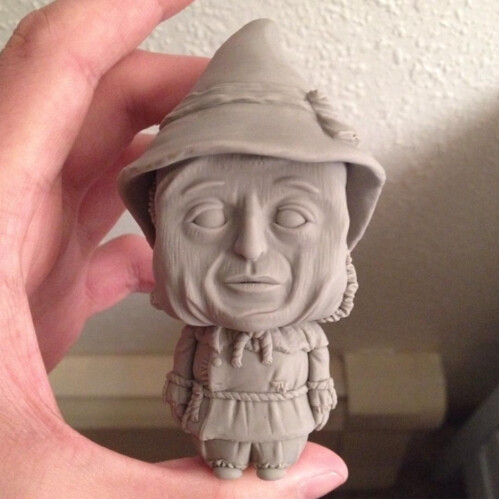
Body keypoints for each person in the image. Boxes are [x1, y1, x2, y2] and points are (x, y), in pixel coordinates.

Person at [0, 0, 347, 496]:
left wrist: (318, 397)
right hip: (218, 421)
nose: (250, 247)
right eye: (207, 217)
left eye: (291, 217)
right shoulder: (202, 333)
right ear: (161, 231)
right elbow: (185, 369)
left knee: (277, 461)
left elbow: (317, 372)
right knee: (226, 460)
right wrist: (184, 398)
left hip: (286, 421)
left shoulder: (303, 334)